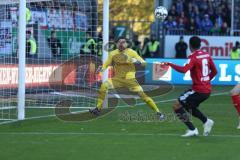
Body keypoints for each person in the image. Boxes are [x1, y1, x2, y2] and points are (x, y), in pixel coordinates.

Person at [89, 37, 165, 119]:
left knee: (143, 96)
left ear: (126, 44)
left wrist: (136, 61)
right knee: (104, 86)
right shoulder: (113, 53)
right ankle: (98, 108)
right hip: (117, 79)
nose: (121, 44)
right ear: (117, 44)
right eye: (119, 42)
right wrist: (102, 69)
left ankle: (158, 112)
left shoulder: (132, 52)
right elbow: (106, 64)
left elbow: (144, 63)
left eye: (123, 42)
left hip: (130, 80)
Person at [162, 36, 217, 137]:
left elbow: (184, 70)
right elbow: (215, 71)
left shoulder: (193, 57)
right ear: (200, 45)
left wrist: (170, 64)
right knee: (189, 106)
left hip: (198, 90)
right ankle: (205, 121)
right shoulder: (206, 55)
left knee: (176, 106)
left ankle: (193, 129)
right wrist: (206, 80)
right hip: (207, 90)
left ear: (190, 46)